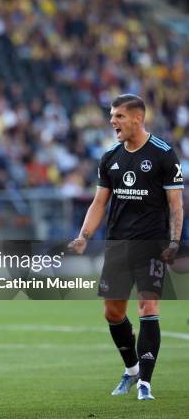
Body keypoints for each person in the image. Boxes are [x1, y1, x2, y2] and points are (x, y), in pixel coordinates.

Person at [68, 94, 184, 401]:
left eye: (118, 116)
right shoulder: (110, 157)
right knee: (112, 312)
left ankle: (145, 383)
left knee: (148, 307)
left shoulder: (163, 154)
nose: (112, 121)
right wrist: (84, 235)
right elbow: (99, 202)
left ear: (137, 118)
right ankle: (132, 370)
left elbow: (176, 204)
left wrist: (174, 241)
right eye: (112, 115)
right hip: (117, 244)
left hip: (151, 244)